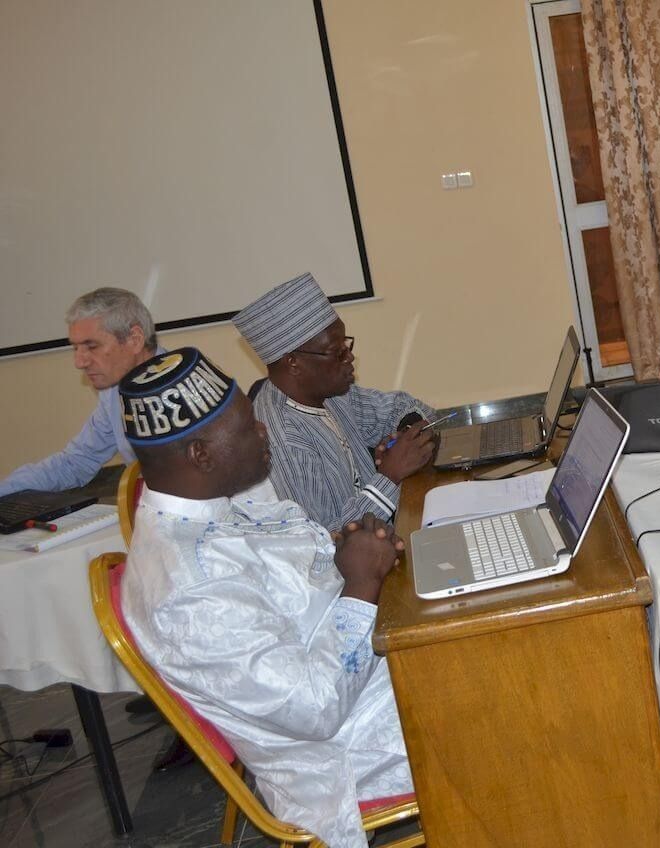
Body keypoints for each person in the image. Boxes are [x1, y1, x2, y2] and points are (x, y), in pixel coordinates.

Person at [118, 348, 413, 848]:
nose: (263, 431)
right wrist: (362, 584)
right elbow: (316, 710)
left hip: (370, 674)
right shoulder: (189, 592)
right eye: (247, 427)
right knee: (516, 675)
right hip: (347, 751)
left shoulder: (214, 499)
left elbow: (286, 576)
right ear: (201, 455)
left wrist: (344, 552)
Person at [232, 273, 438, 531]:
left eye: (346, 344)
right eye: (337, 352)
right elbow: (324, 539)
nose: (350, 357)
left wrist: (405, 435)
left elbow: (399, 406)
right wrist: (390, 476)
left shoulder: (331, 393)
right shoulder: (283, 440)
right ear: (293, 363)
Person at [0, 288, 159, 496]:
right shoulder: (114, 392)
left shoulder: (189, 388)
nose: (79, 362)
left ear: (135, 340)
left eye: (91, 347)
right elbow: (76, 462)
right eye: (76, 348)